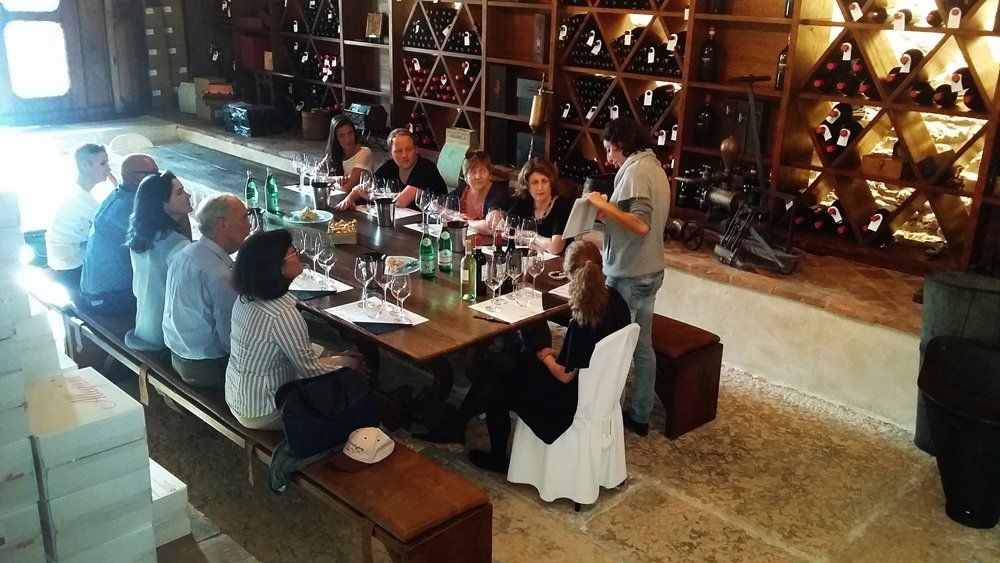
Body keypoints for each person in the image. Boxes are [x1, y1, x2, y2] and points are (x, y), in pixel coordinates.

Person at [415, 240, 631, 472]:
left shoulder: (583, 317)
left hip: (568, 400)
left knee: (497, 386)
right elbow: (594, 351)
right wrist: (559, 352)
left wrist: (546, 356)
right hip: (596, 388)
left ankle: (480, 444)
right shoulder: (616, 300)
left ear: (570, 275)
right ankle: (456, 424)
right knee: (500, 364)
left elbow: (564, 376)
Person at [226, 229, 363, 430]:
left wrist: (333, 355)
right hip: (266, 409)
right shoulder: (283, 314)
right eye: (292, 252)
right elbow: (311, 373)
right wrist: (349, 370)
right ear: (277, 267)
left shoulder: (245, 298)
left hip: (239, 395)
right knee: (351, 371)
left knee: (343, 360)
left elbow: (286, 346)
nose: (298, 254)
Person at [586, 117, 670, 437]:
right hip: (649, 269)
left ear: (623, 145)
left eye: (610, 150)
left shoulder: (636, 170)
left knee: (615, 347)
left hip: (629, 272)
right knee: (642, 347)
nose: (609, 159)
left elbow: (640, 224)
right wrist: (608, 211)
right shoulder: (655, 166)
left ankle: (609, 417)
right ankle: (640, 415)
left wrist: (600, 204)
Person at [162, 194, 250, 389]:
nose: (250, 224)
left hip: (177, 355)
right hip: (205, 367)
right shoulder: (218, 274)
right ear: (223, 224)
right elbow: (231, 340)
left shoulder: (184, 253)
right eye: (244, 217)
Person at [81, 153, 159, 315]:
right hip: (108, 297)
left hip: (100, 290)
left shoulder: (119, 194)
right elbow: (160, 247)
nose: (158, 180)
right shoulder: (129, 206)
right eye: (152, 174)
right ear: (133, 178)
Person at [124, 172, 193, 352]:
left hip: (143, 327)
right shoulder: (178, 245)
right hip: (164, 338)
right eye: (179, 193)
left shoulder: (140, 237)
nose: (188, 195)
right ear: (162, 203)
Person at [47, 144, 113, 294]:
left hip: (63, 264)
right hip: (70, 271)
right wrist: (119, 189)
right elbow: (111, 226)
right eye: (103, 163)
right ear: (85, 166)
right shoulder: (78, 199)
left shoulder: (76, 192)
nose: (109, 169)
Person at [507, 158, 573, 255]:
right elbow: (505, 230)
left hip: (558, 264)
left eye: (544, 181)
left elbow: (555, 248)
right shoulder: (524, 200)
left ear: (551, 183)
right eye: (534, 182)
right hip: (529, 259)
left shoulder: (562, 205)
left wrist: (530, 234)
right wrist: (534, 245)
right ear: (527, 185)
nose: (540, 187)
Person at [373, 128, 447, 210]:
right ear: (391, 154)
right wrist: (357, 192)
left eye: (409, 149)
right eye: (399, 151)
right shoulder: (390, 165)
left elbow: (401, 202)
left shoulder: (426, 167)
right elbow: (366, 186)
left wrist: (371, 196)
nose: (404, 155)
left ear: (416, 150)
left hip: (432, 220)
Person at [315, 115, 374, 211]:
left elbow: (346, 187)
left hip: (356, 206)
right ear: (336, 138)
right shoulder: (334, 153)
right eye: (342, 135)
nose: (348, 139)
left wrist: (328, 181)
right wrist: (335, 179)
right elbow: (316, 177)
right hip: (336, 202)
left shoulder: (364, 153)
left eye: (350, 133)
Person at [448, 151, 510, 235]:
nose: (477, 176)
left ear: (489, 174)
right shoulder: (462, 191)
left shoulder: (498, 194)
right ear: (466, 176)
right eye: (473, 172)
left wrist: (465, 222)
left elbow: (491, 227)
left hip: (487, 245)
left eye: (483, 171)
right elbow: (438, 206)